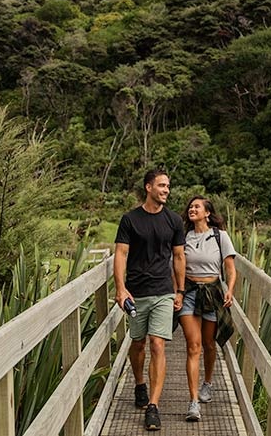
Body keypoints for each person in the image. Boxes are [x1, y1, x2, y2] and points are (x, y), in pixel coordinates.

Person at [113, 168, 186, 431]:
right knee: (138, 343)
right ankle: (139, 384)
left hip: (163, 290)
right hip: (137, 292)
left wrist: (180, 291)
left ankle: (153, 406)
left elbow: (178, 257)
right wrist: (121, 289)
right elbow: (120, 254)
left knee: (158, 344)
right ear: (148, 187)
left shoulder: (174, 221)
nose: (166, 190)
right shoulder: (130, 219)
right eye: (162, 186)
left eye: (168, 186)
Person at [177, 195, 238, 423]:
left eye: (196, 207)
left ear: (207, 213)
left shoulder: (219, 236)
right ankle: (193, 402)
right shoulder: (183, 236)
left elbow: (231, 269)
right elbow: (175, 263)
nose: (192, 209)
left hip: (212, 293)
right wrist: (178, 291)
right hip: (190, 293)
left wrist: (229, 290)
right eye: (190, 207)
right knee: (193, 347)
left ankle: (208, 383)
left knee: (208, 344)